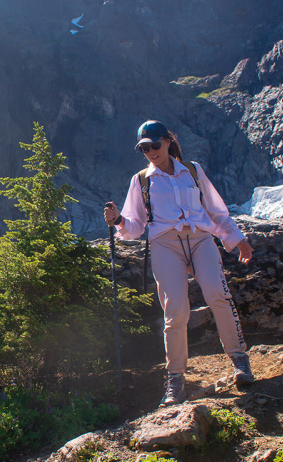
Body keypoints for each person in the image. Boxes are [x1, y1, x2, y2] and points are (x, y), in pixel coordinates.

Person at [104, 120, 255, 406]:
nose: (150, 152)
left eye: (154, 146)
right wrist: (119, 221)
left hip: (200, 239)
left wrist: (237, 239)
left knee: (218, 294)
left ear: (167, 142)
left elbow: (216, 211)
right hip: (164, 244)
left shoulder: (194, 171)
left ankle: (240, 361)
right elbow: (135, 225)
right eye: (143, 149)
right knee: (175, 309)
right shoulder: (141, 181)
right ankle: (175, 380)